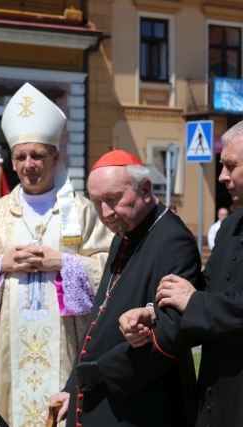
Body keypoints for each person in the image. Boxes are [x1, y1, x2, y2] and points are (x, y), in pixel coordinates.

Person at [0, 82, 112, 426]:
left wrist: (65, 264)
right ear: (12, 161)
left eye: (37, 155)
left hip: (64, 347)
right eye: (21, 157)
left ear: (55, 158)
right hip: (6, 351)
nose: (29, 165)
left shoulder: (82, 213)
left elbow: (110, 269)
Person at [49, 150, 201, 426]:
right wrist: (74, 387)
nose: (105, 213)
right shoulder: (123, 234)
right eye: (97, 203)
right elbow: (99, 318)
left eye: (113, 199)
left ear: (145, 189)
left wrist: (102, 372)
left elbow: (172, 333)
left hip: (141, 403)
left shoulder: (174, 241)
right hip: (102, 393)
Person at [121, 120, 243, 426]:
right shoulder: (230, 227)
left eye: (231, 165)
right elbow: (201, 289)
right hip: (217, 399)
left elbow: (200, 301)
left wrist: (192, 302)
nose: (222, 176)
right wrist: (153, 311)